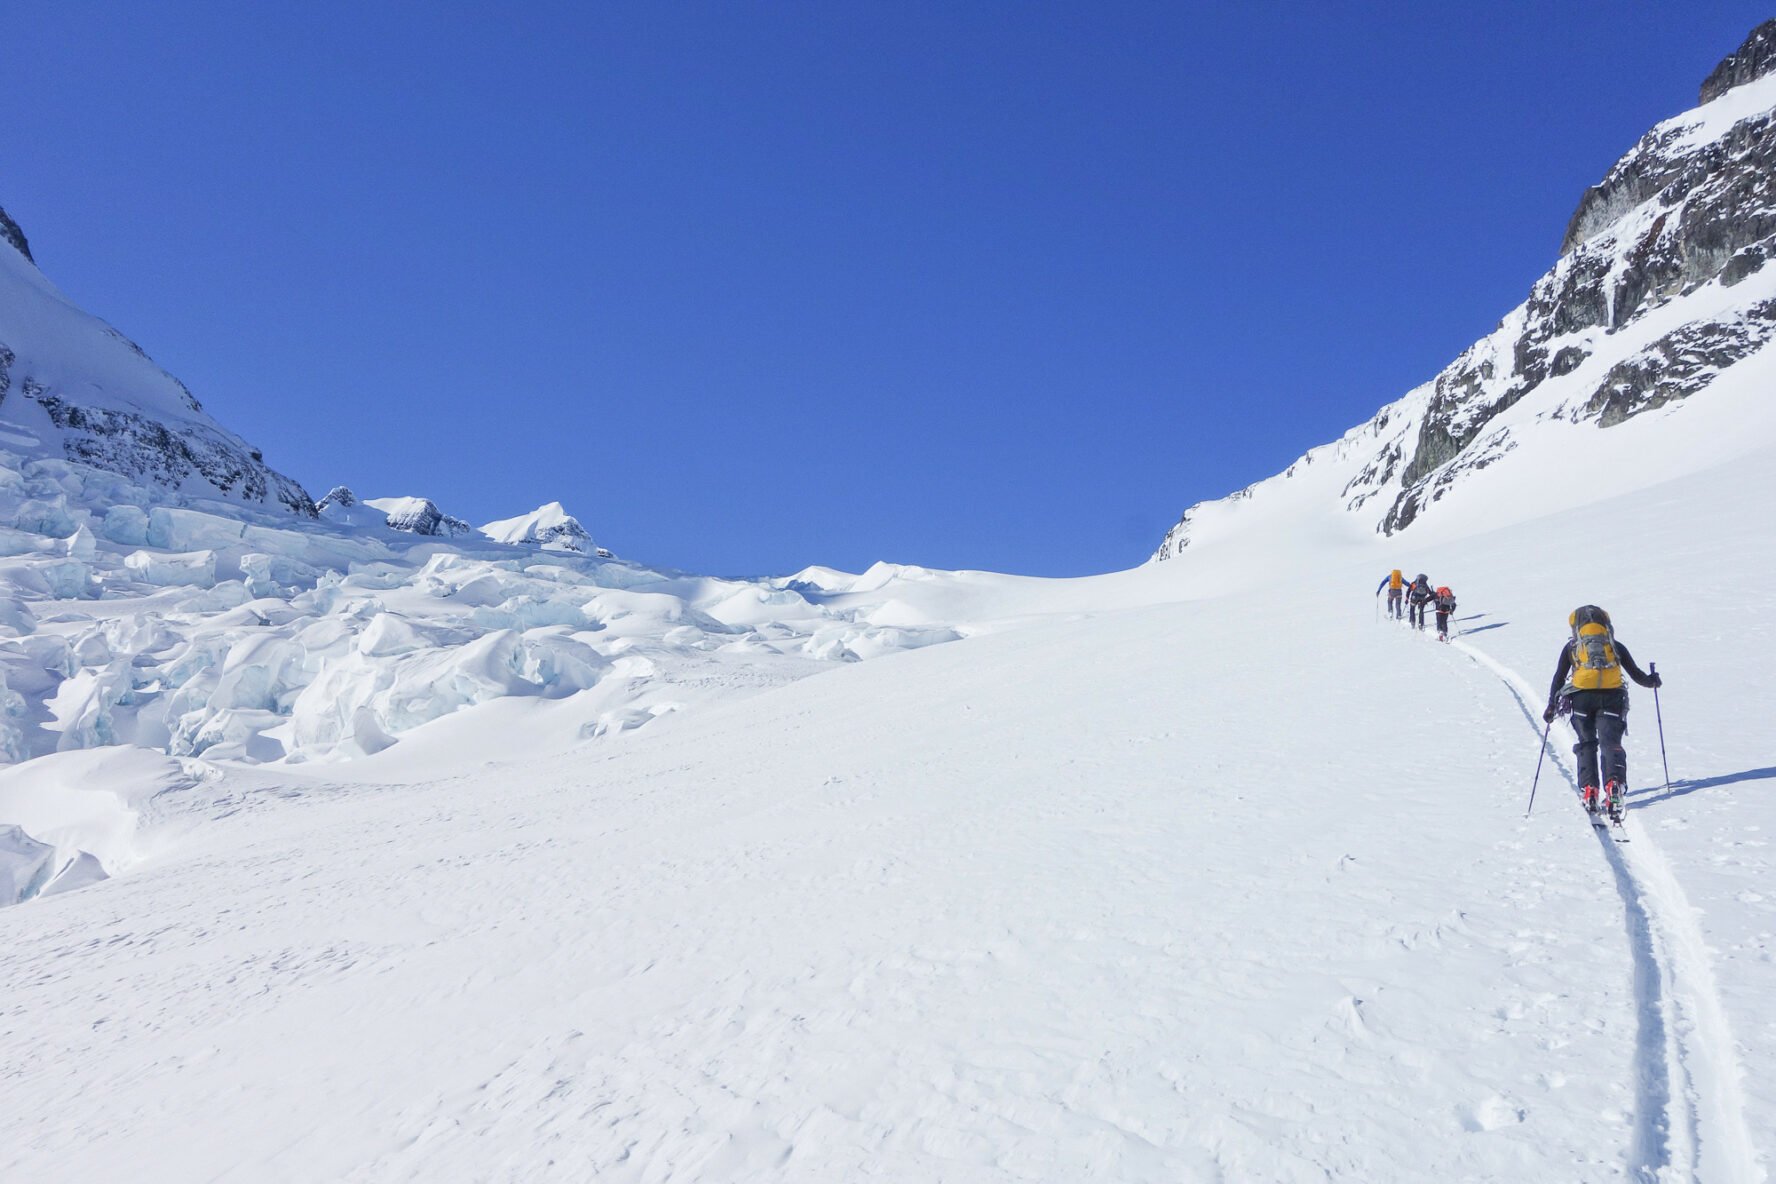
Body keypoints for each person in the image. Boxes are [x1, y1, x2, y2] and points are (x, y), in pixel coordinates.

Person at [1541, 605, 1662, 821]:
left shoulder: (1572, 647)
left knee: (1587, 743)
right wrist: (1652, 681)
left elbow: (1558, 678)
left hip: (1581, 699)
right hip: (1612, 698)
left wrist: (1552, 705)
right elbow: (1637, 675)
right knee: (1610, 744)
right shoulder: (1614, 646)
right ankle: (1614, 784)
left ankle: (1590, 790)